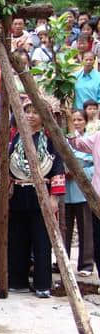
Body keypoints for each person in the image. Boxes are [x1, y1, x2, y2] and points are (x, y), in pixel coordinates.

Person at [8, 100, 65, 298]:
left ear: (43, 116)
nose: (31, 116)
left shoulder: (50, 141)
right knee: (18, 239)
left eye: (35, 112)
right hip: (19, 196)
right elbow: (8, 165)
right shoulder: (16, 139)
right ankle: (18, 281)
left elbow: (58, 169)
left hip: (41, 195)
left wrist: (54, 199)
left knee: (41, 241)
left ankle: (42, 284)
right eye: (27, 112)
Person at [62, 109, 94, 277]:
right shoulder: (65, 139)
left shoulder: (91, 139)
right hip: (66, 192)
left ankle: (86, 264)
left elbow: (94, 165)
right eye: (73, 119)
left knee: (86, 228)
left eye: (80, 119)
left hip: (83, 191)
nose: (76, 123)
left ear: (85, 122)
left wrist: (80, 173)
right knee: (65, 227)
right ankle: (63, 261)